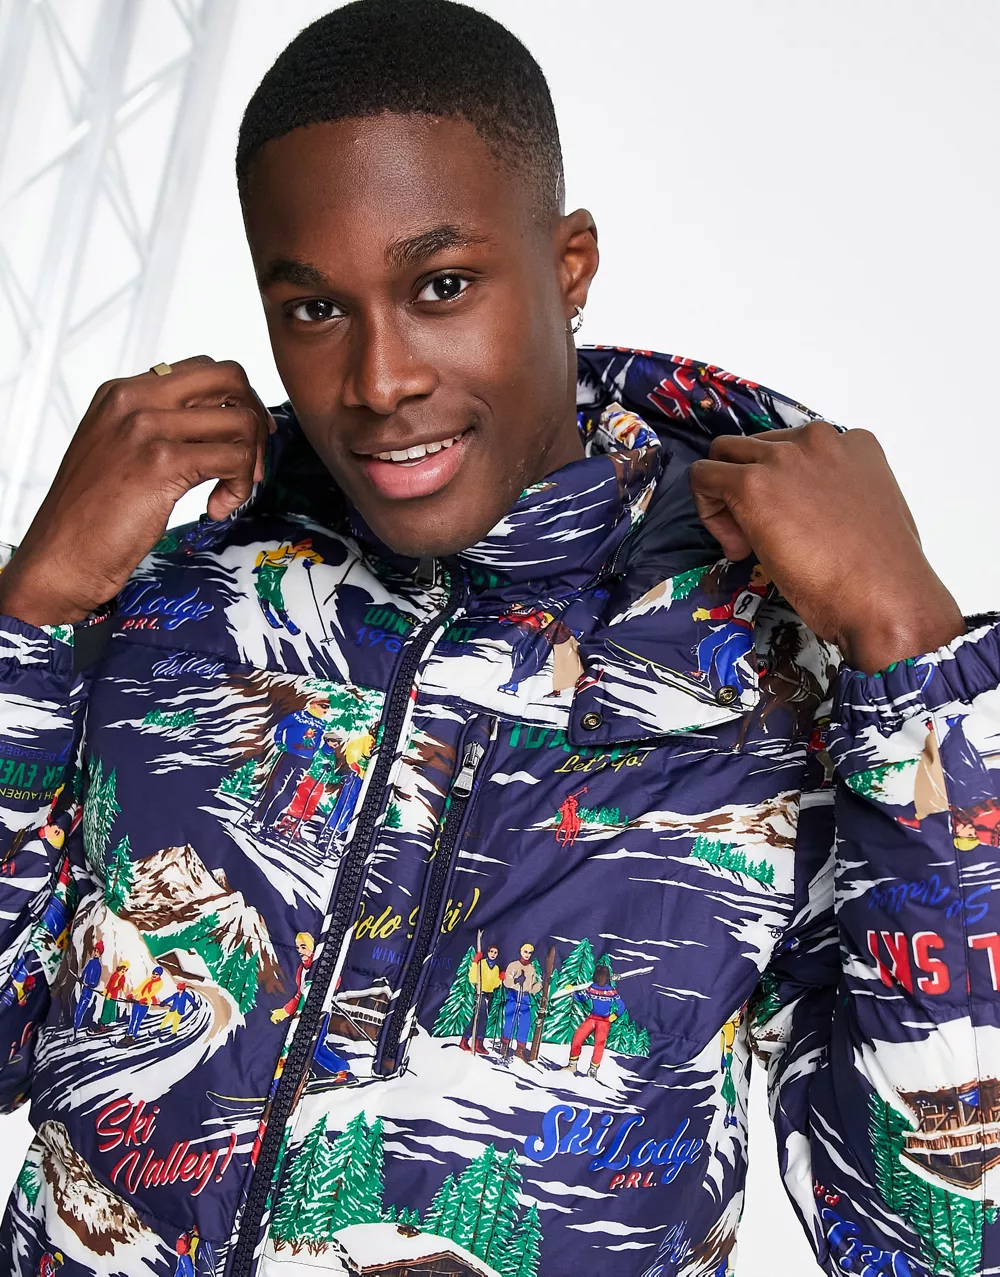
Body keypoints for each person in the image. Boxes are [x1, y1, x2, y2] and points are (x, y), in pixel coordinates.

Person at [0, 3, 986, 1275]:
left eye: (441, 286)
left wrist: (913, 655)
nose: (380, 379)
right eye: (315, 307)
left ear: (569, 265)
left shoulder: (775, 668)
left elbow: (942, 1234)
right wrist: (28, 617)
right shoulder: (182, 587)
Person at [564, 964, 625, 1080]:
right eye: (599, 977)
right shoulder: (592, 988)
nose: (601, 979)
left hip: (604, 1021)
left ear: (606, 977)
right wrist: (572, 991)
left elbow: (621, 1006)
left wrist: (615, 1015)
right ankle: (572, 1064)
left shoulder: (611, 991)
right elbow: (582, 998)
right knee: (577, 1037)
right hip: (592, 1017)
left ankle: (593, 1069)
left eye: (603, 977)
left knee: (599, 1044)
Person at [499, 943, 541, 1061]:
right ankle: (505, 1045)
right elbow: (507, 982)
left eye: (529, 953)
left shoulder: (531, 969)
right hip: (514, 994)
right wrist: (516, 981)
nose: (527, 955)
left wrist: (539, 986)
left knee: (525, 1022)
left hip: (525, 996)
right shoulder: (513, 965)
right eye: (525, 952)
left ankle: (520, 1049)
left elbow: (532, 987)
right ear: (521, 952)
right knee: (510, 1019)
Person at [460, 943, 501, 1055]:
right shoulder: (481, 963)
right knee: (478, 1018)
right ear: (488, 952)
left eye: (495, 952)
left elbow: (494, 984)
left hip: (489, 995)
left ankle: (476, 1043)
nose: (493, 954)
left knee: (482, 1019)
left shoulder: (496, 968)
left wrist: (500, 979)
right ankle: (468, 1041)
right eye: (491, 951)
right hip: (480, 994)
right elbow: (473, 978)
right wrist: (474, 963)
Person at [121, 966, 164, 1046]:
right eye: (153, 973)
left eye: (156, 974)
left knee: (138, 1020)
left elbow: (153, 992)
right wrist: (132, 994)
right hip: (138, 1000)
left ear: (159, 975)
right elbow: (140, 987)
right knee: (132, 1019)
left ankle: (133, 1037)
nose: (154, 975)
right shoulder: (148, 979)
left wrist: (146, 998)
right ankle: (127, 1035)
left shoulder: (160, 983)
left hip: (145, 1004)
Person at [73, 940, 104, 1036]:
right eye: (95, 951)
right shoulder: (90, 962)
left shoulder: (98, 966)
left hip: (89, 990)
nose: (95, 953)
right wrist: (81, 978)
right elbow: (85, 971)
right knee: (78, 1008)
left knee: (82, 1009)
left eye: (98, 952)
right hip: (84, 989)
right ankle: (75, 1026)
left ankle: (77, 1026)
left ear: (100, 954)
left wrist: (91, 984)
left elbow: (96, 980)